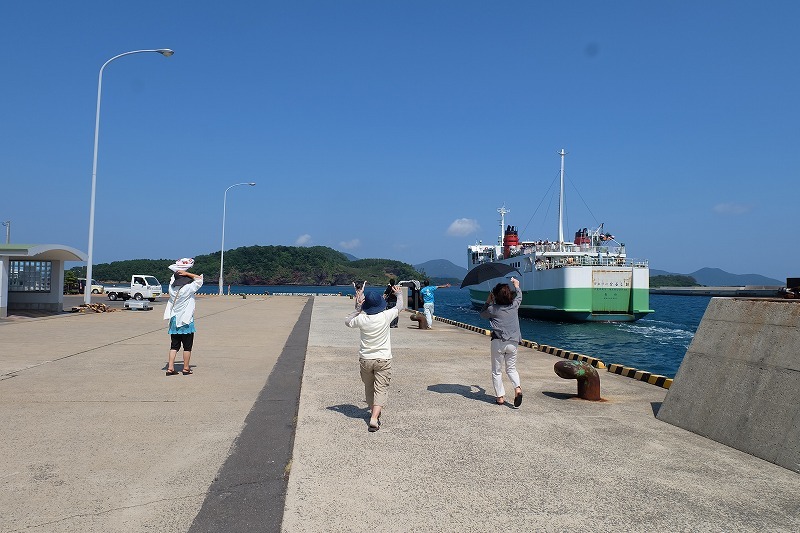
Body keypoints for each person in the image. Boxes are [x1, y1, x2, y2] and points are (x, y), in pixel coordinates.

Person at [345, 283, 402, 432]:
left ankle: (373, 411)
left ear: (366, 307)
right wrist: (399, 294)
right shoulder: (385, 316)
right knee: (381, 388)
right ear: (380, 305)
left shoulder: (362, 319)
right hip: (383, 359)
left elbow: (348, 321)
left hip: (365, 359)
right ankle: (374, 418)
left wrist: (357, 307)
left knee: (369, 387)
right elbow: (399, 307)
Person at [479, 276, 523, 407]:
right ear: (509, 295)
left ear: (495, 296)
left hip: (498, 342)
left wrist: (488, 301)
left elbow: (482, 314)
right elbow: (519, 296)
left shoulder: (492, 309)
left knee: (497, 371)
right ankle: (517, 388)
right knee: (511, 369)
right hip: (513, 343)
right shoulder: (515, 305)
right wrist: (517, 285)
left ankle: (500, 397)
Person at [163, 258, 204, 376]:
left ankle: (170, 367)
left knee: (174, 346)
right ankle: (186, 368)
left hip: (174, 320)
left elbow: (172, 278)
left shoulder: (171, 289)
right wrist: (187, 273)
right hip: (186, 321)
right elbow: (199, 279)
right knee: (187, 347)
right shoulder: (188, 288)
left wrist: (178, 271)